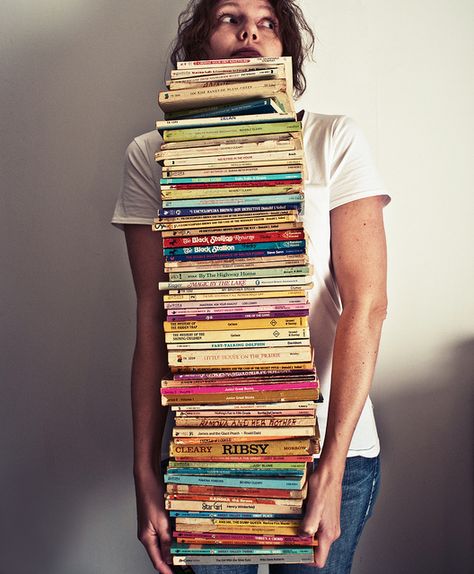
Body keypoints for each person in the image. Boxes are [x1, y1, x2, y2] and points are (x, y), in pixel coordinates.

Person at [112, 1, 390, 572]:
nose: (249, 31)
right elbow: (152, 314)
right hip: (203, 444)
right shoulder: (152, 154)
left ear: (285, 49)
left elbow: (367, 306)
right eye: (228, 18)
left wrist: (333, 464)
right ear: (200, 43)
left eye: (267, 23)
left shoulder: (332, 139)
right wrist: (144, 467)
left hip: (326, 450)